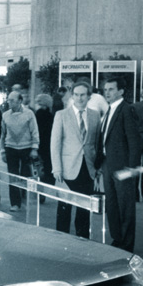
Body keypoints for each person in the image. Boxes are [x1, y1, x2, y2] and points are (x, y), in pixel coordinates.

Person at [95, 76, 141, 252]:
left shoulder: (127, 109)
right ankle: (117, 239)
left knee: (125, 206)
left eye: (111, 89)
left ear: (121, 91)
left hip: (123, 167)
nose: (107, 92)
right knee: (112, 205)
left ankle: (127, 244)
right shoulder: (109, 110)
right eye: (105, 90)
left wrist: (133, 167)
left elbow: (134, 140)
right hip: (108, 165)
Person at [50, 81, 101, 238]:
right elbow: (55, 143)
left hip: (88, 169)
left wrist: (97, 167)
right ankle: (62, 239)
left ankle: (82, 240)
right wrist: (56, 168)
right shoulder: (61, 115)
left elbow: (97, 143)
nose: (79, 98)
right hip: (67, 169)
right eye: (76, 95)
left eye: (83, 95)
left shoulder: (95, 115)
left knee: (84, 209)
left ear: (89, 97)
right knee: (64, 207)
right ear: (72, 96)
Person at [0, 91, 39, 211]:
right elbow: (2, 134)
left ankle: (25, 198)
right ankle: (15, 203)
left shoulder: (29, 114)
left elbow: (34, 131)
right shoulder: (5, 115)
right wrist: (2, 150)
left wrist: (34, 148)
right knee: (12, 176)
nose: (9, 102)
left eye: (12, 100)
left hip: (26, 148)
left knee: (25, 175)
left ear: (20, 101)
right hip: (10, 148)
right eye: (9, 100)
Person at [34, 93, 56, 198]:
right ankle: (47, 189)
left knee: (39, 168)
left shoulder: (38, 114)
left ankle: (41, 192)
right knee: (48, 167)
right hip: (49, 145)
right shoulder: (52, 115)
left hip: (40, 145)